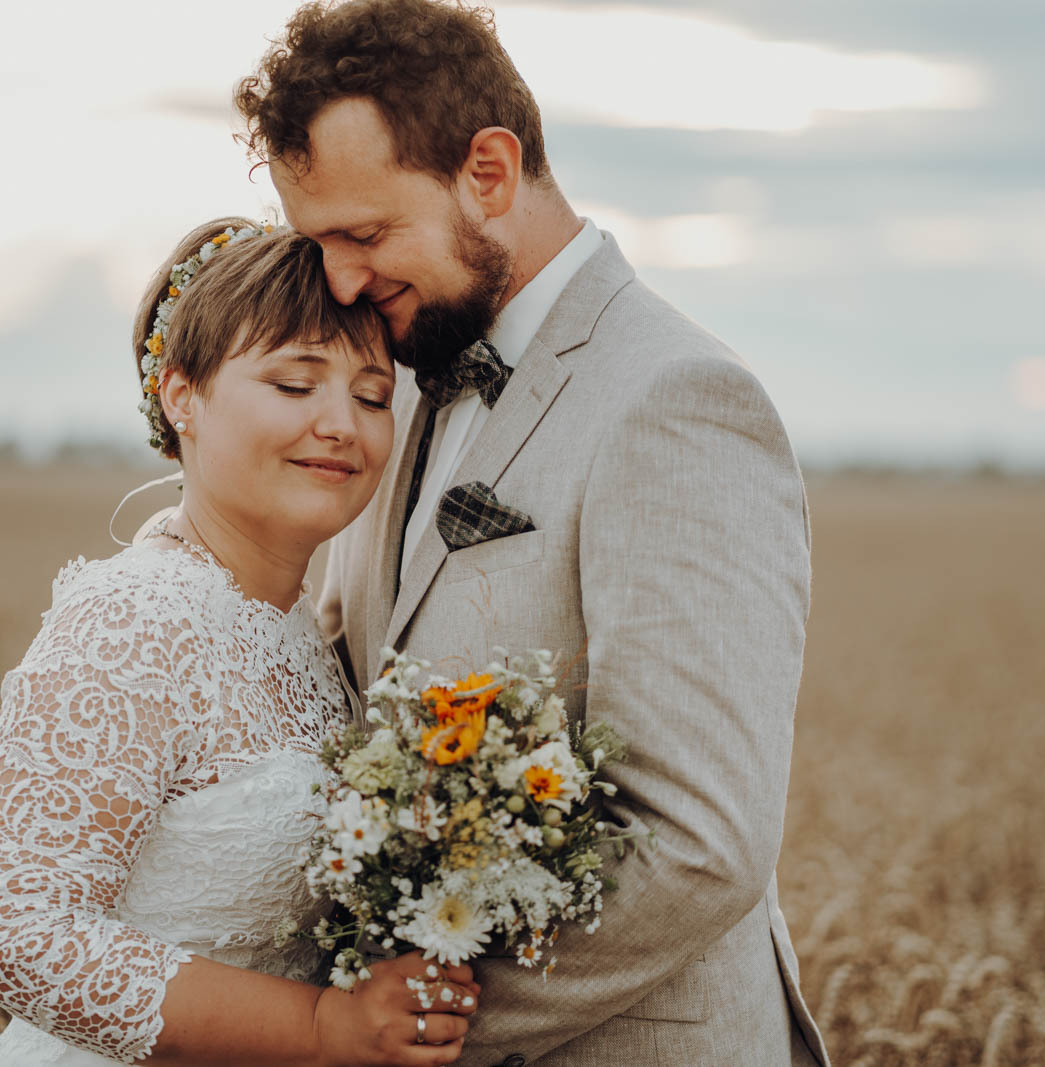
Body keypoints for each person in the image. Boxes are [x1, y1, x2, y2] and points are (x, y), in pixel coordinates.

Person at [235, 3, 830, 1065]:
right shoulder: (400, 383)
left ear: (490, 172)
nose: (338, 283)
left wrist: (415, 1030)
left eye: (364, 235)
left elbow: (699, 843)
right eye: (317, 243)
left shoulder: (678, 400)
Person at [0, 217, 481, 1066]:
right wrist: (319, 1027)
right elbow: (16, 929)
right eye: (294, 383)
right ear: (181, 396)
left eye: (373, 395)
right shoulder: (134, 618)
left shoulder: (306, 634)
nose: (342, 423)